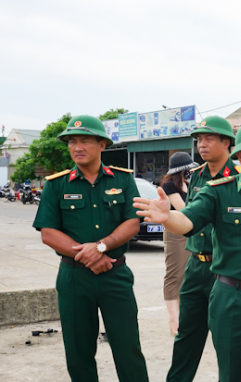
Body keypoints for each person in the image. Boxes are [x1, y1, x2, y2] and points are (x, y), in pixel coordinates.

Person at [134, 120, 241, 382]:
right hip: (233, 298)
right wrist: (168, 216)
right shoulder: (219, 193)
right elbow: (189, 220)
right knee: (231, 373)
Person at [32, 115, 148, 382]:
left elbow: (132, 223)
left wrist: (101, 246)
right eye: (72, 141)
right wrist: (89, 256)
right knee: (78, 351)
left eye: (85, 140)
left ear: (102, 144)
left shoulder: (122, 180)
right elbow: (49, 233)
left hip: (115, 277)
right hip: (74, 279)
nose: (77, 147)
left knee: (128, 347)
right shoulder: (56, 184)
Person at [165, 116, 239, 381]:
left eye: (209, 138)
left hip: (227, 270)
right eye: (199, 140)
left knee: (227, 342)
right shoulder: (195, 177)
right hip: (196, 266)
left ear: (227, 142)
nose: (202, 145)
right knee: (187, 335)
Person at [161, 151, 198, 335]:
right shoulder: (169, 186)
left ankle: (184, 314)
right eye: (187, 170)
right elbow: (184, 209)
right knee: (175, 274)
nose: (190, 172)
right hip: (176, 234)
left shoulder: (194, 184)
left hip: (194, 233)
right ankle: (173, 317)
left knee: (189, 274)